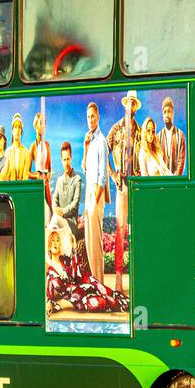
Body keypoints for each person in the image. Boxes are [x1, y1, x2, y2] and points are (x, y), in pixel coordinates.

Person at [106, 91, 141, 295]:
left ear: (135, 107)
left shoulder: (140, 130)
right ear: (125, 105)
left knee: (135, 229)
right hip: (121, 186)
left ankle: (135, 277)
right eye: (128, 103)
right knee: (120, 231)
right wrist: (112, 175)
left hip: (136, 185)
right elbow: (105, 152)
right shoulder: (116, 129)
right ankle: (118, 279)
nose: (130, 106)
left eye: (133, 104)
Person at [82, 101, 109, 286]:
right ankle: (94, 280)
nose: (91, 120)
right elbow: (84, 167)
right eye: (88, 117)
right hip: (89, 192)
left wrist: (95, 202)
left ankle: (99, 281)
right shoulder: (90, 141)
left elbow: (102, 176)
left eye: (93, 116)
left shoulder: (102, 141)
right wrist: (84, 147)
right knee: (89, 238)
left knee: (96, 239)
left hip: (96, 193)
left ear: (98, 117)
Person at [52, 141, 84, 237]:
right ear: (61, 160)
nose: (66, 163)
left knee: (55, 219)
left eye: (68, 159)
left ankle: (46, 249)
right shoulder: (59, 180)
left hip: (71, 225)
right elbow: (54, 200)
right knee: (55, 220)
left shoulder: (77, 179)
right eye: (64, 160)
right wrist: (56, 209)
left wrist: (61, 212)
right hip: (59, 221)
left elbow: (74, 205)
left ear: (71, 158)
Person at [29, 111, 53, 218]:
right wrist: (37, 176)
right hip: (38, 186)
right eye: (40, 123)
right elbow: (27, 172)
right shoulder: (33, 147)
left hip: (46, 185)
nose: (43, 126)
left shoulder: (47, 145)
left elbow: (50, 168)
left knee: (49, 213)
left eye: (44, 123)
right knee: (40, 214)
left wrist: (49, 176)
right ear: (36, 126)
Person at [159, 96, 186, 175]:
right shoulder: (158, 137)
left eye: (169, 111)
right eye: (165, 112)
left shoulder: (180, 135)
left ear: (173, 113)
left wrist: (174, 179)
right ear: (162, 115)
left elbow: (181, 161)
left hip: (176, 183)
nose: (167, 115)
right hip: (162, 182)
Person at [2, 112, 30, 181]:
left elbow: (25, 178)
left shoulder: (26, 153)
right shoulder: (7, 153)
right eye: (15, 127)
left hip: (22, 190)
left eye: (19, 127)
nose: (17, 130)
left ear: (21, 131)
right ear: (12, 131)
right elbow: (5, 177)